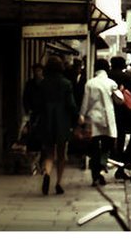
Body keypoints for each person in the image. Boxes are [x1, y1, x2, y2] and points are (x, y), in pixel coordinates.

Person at [37, 56, 78, 195]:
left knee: (49, 153)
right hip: (62, 121)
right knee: (61, 154)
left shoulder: (43, 84)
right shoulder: (66, 83)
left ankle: (47, 173)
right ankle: (58, 183)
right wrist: (77, 118)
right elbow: (71, 105)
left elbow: (38, 105)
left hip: (47, 120)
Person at [79, 59, 120, 186]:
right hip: (108, 119)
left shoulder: (89, 84)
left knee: (94, 147)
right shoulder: (111, 83)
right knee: (107, 146)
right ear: (107, 68)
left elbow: (85, 102)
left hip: (93, 119)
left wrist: (81, 115)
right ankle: (102, 167)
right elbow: (120, 100)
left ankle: (95, 176)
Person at [22, 63, 45, 174]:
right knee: (32, 138)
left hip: (43, 115)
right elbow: (25, 98)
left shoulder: (45, 84)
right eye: (35, 71)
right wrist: (28, 110)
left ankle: (41, 163)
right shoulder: (30, 84)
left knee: (43, 139)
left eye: (39, 70)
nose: (37, 73)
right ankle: (34, 163)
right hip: (33, 114)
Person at [109, 57, 131, 159]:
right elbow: (130, 93)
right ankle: (119, 152)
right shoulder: (126, 77)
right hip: (123, 108)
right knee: (121, 131)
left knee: (110, 131)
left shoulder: (108, 76)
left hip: (109, 106)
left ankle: (111, 152)